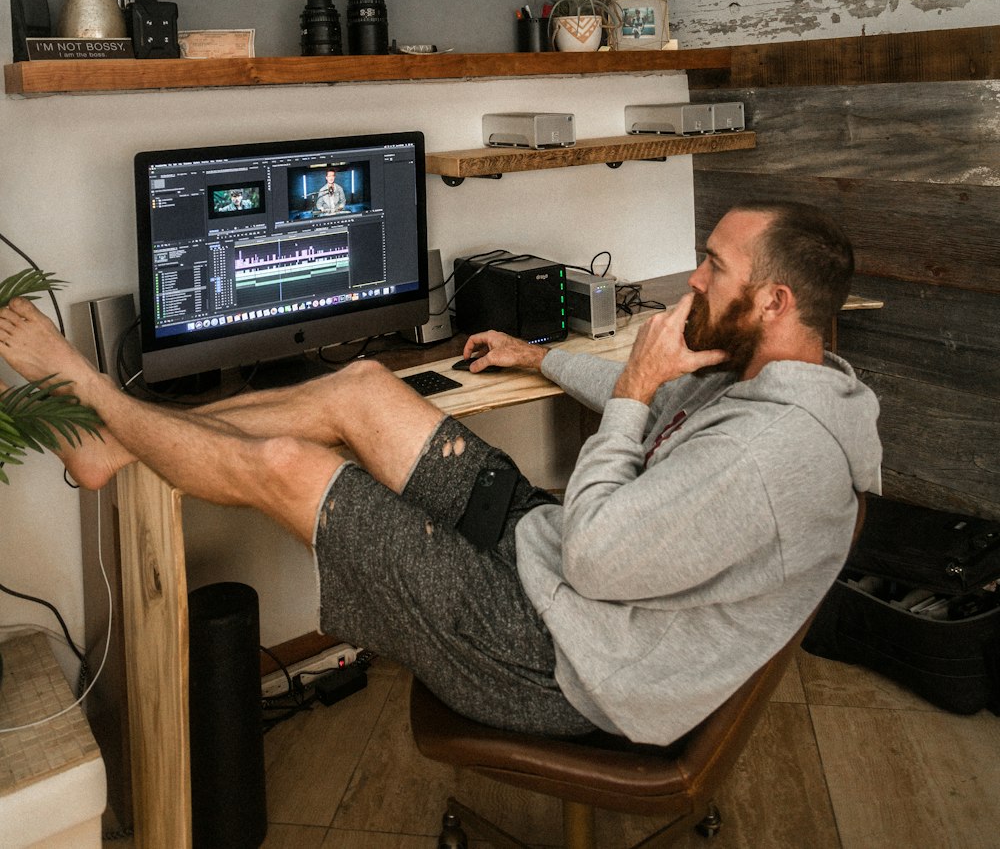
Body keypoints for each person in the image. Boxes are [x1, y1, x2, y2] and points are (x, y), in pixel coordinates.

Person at [0, 202, 881, 747]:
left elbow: (600, 559)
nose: (694, 279)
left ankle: (86, 393)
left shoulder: (768, 455)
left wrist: (639, 387)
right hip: (553, 566)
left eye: (715, 266)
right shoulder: (763, 380)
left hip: (558, 660)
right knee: (362, 388)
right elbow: (642, 406)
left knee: (286, 467)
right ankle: (113, 441)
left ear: (775, 301)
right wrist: (539, 356)